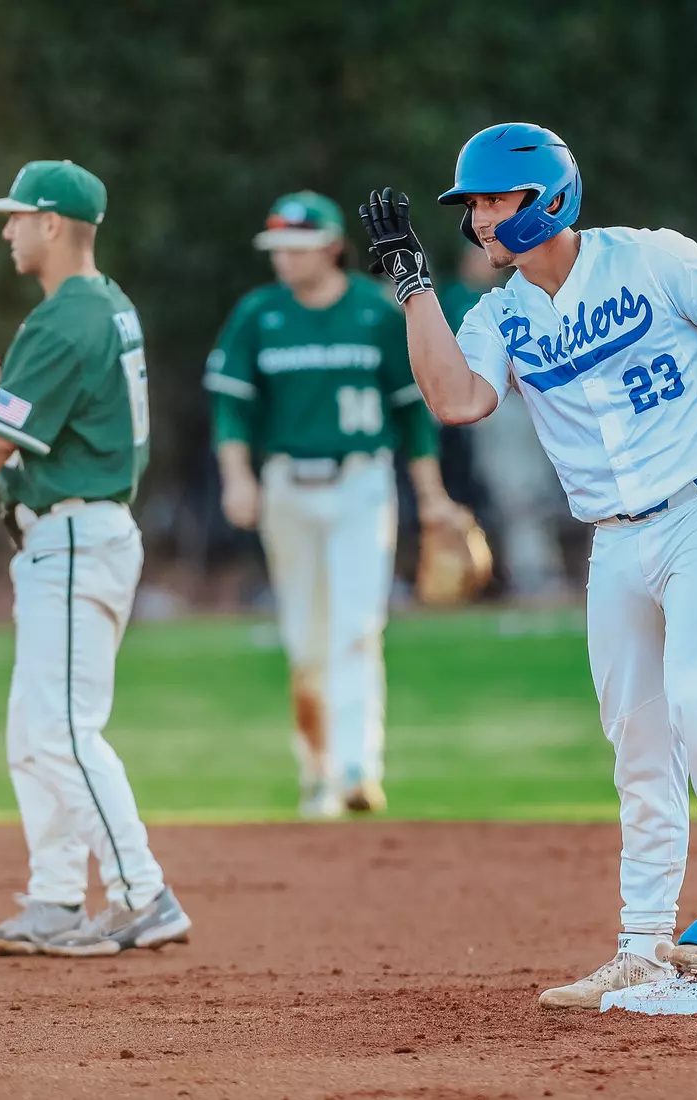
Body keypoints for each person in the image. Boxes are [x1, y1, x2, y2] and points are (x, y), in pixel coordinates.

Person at [360, 123, 697, 1009]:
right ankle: (644, 943)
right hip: (616, 541)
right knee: (640, 745)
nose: (483, 219)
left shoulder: (650, 258)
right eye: (474, 206)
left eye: (498, 199)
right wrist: (412, 288)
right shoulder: (500, 314)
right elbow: (457, 399)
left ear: (551, 197)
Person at [0, 160, 190, 957]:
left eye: (18, 216)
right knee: (34, 733)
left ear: (53, 224)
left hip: (73, 537)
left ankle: (143, 893)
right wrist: (0, 385)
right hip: (73, 534)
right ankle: (59, 900)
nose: (7, 230)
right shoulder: (101, 306)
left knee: (61, 730)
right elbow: (42, 411)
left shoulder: (69, 316)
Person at [204, 191, 461, 819]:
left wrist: (430, 495)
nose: (285, 260)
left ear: (331, 245)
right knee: (304, 636)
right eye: (277, 250)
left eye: (297, 247)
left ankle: (356, 770)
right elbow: (231, 406)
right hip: (288, 485)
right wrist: (237, 477)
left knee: (356, 627)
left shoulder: (374, 312)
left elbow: (413, 416)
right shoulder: (259, 313)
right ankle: (315, 773)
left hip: (361, 484)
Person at [441, 247, 570, 597]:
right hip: (491, 406)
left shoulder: (516, 293)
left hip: (528, 402)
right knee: (515, 496)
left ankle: (532, 569)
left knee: (535, 494)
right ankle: (527, 573)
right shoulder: (459, 299)